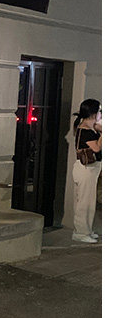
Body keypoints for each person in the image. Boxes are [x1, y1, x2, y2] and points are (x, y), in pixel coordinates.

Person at [71, 98, 102, 244]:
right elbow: (96, 148)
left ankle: (87, 230)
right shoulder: (84, 130)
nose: (101, 114)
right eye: (99, 111)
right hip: (86, 169)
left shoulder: (88, 127)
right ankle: (81, 232)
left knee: (89, 201)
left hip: (90, 169)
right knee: (84, 202)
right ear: (93, 113)